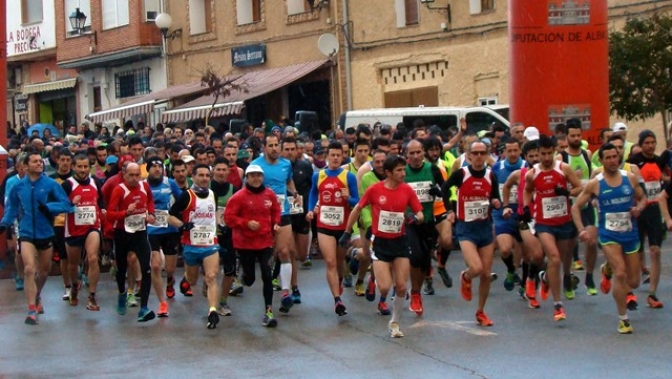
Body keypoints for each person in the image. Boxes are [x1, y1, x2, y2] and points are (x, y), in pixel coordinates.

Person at [343, 155, 424, 338]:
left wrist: (414, 217)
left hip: (400, 242)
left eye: (404, 170)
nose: (403, 173)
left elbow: (420, 214)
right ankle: (372, 273)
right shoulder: (374, 190)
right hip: (380, 243)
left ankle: (394, 322)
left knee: (402, 287)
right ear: (388, 172)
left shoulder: (407, 190)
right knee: (386, 287)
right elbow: (357, 208)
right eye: (399, 170)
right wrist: (347, 232)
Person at [572, 143, 646, 334]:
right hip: (608, 234)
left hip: (630, 233)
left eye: (615, 156)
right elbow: (575, 207)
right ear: (602, 160)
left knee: (635, 281)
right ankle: (623, 319)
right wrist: (581, 229)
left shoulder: (629, 178)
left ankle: (607, 269)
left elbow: (643, 198)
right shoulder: (595, 183)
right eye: (609, 157)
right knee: (621, 273)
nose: (613, 160)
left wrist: (639, 208)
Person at [0, 151, 73, 325]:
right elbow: (11, 209)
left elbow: (66, 205)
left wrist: (49, 207)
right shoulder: (18, 187)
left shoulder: (51, 184)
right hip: (26, 232)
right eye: (35, 161)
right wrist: (4, 224)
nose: (39, 164)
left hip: (46, 232)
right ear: (25, 166)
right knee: (29, 270)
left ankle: (37, 294)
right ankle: (31, 309)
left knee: (44, 271)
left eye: (41, 161)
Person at [522, 135, 583, 322]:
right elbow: (527, 190)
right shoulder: (532, 173)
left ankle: (546, 277)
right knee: (554, 257)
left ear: (554, 152)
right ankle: (558, 306)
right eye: (543, 154)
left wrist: (566, 192)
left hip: (563, 221)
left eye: (549, 153)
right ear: (538, 154)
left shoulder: (563, 169)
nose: (546, 158)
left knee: (559, 260)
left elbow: (579, 187)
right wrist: (526, 207)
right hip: (544, 223)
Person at [443, 140, 501, 326]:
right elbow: (445, 189)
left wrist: (497, 203)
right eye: (474, 153)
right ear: (468, 155)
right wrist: (450, 211)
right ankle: (466, 276)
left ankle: (481, 312)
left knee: (485, 273)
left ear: (486, 155)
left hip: (484, 227)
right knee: (476, 268)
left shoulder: (491, 175)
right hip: (465, 228)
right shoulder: (462, 174)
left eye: (482, 153)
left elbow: (495, 197)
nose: (478, 157)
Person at [224, 164, 282, 327]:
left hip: (265, 242)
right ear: (247, 178)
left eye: (259, 175)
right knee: (249, 279)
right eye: (253, 176)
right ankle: (244, 275)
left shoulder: (269, 194)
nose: (256, 179)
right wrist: (246, 223)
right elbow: (229, 218)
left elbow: (276, 211)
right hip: (245, 243)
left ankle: (268, 312)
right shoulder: (238, 197)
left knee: (267, 275)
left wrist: (276, 223)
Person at [307, 141, 359, 316]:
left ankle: (340, 281)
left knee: (338, 263)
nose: (335, 158)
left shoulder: (348, 177)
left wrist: (348, 198)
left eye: (338, 155)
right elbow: (313, 193)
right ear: (327, 156)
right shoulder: (318, 176)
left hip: (343, 227)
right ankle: (337, 300)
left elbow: (357, 203)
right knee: (329, 262)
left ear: (342, 156)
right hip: (324, 225)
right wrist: (310, 209)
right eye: (332, 155)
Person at [251, 135, 302, 314]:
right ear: (264, 147)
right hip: (263, 215)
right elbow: (248, 187)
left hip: (283, 212)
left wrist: (294, 192)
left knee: (285, 251)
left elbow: (288, 180)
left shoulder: (285, 165)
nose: (274, 148)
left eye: (276, 145)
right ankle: (269, 281)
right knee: (267, 255)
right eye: (270, 145)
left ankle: (286, 291)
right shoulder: (256, 166)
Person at [168, 164, 222, 329]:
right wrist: (183, 225)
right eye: (201, 175)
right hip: (191, 245)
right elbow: (170, 216)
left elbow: (215, 213)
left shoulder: (213, 194)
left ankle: (212, 311)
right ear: (193, 176)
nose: (205, 178)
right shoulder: (187, 196)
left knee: (211, 276)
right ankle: (186, 278)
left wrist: (221, 224)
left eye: (207, 175)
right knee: (192, 280)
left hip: (210, 243)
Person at [106, 163, 157, 322]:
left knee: (146, 268)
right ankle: (122, 293)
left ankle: (144, 307)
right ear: (125, 175)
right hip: (122, 233)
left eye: (137, 175)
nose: (135, 178)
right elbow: (110, 215)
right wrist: (125, 212)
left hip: (140, 232)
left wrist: (152, 215)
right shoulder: (119, 190)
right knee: (122, 269)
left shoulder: (144, 186)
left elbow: (150, 202)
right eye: (131, 175)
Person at [627, 130, 669, 308]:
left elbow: (664, 179)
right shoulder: (633, 163)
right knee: (635, 252)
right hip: (638, 211)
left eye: (653, 142)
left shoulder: (660, 161)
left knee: (656, 251)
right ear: (641, 144)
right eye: (647, 143)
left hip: (653, 210)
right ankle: (629, 290)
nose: (651, 145)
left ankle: (652, 294)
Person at [403, 140, 444, 316]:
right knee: (415, 257)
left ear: (423, 153)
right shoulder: (402, 172)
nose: (415, 156)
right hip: (409, 223)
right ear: (406, 155)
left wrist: (439, 192)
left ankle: (417, 291)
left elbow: (447, 189)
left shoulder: (432, 169)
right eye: (411, 153)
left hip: (428, 221)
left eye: (418, 152)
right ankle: (415, 294)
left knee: (424, 261)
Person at [61, 154, 106, 311]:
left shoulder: (96, 181)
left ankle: (92, 296)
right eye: (79, 166)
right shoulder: (68, 185)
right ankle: (74, 286)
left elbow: (101, 199)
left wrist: (104, 208)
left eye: (85, 166)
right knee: (73, 264)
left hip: (92, 226)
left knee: (93, 258)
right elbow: (59, 204)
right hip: (73, 229)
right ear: (73, 167)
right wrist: (70, 203)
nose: (83, 170)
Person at [146, 156, 183, 318]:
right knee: (155, 266)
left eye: (159, 167)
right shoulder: (143, 185)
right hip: (151, 230)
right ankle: (162, 303)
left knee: (170, 268)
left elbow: (183, 199)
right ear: (148, 169)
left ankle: (169, 280)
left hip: (169, 229)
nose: (157, 169)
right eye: (153, 167)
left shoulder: (170, 183)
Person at [492, 138, 526, 292]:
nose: (512, 154)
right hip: (502, 214)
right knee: (505, 250)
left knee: (530, 255)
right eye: (509, 150)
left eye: (515, 150)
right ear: (504, 151)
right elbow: (491, 190)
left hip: (522, 214)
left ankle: (526, 284)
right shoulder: (497, 167)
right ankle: (511, 270)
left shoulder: (527, 167)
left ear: (520, 151)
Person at [282, 138, 313, 303]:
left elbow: (312, 189)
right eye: (286, 149)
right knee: (291, 252)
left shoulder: (305, 167)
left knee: (301, 255)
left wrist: (310, 209)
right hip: (286, 216)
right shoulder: (278, 167)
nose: (289, 152)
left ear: (297, 150)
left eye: (292, 149)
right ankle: (294, 288)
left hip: (302, 215)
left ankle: (280, 267)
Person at [209, 158, 239, 316]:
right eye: (218, 169)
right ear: (213, 170)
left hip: (228, 234)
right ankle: (210, 293)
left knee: (229, 271)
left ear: (229, 171)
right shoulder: (206, 188)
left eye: (224, 170)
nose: (221, 173)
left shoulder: (233, 189)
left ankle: (222, 302)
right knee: (211, 271)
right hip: (209, 236)